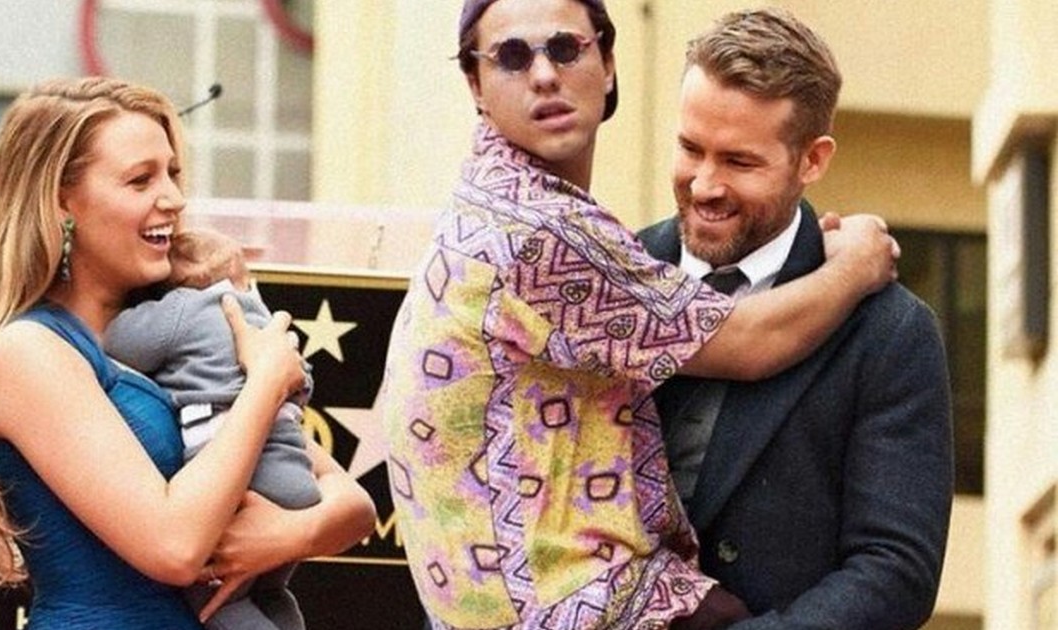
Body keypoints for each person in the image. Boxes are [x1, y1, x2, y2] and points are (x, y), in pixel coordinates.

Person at [378, 1, 901, 628]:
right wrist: (858, 264)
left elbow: (895, 568)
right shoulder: (538, 230)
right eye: (512, 57)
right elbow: (748, 341)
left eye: (565, 48)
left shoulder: (498, 207)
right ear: (475, 84)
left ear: (607, 63)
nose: (543, 75)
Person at [0, 76, 375, 630]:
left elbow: (354, 506)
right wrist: (265, 383)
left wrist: (286, 534)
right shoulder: (26, 351)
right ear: (61, 201)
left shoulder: (180, 332)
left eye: (173, 174)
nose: (174, 199)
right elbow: (174, 547)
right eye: (140, 180)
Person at [636, 8, 953, 628]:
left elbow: (894, 571)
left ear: (812, 161)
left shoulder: (890, 333)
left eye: (739, 162)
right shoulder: (615, 273)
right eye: (690, 148)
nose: (704, 185)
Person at [104, 228, 319, 630]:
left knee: (217, 602)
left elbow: (117, 341)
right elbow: (301, 380)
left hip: (244, 489)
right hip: (295, 480)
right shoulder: (263, 323)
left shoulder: (184, 308)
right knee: (270, 591)